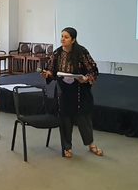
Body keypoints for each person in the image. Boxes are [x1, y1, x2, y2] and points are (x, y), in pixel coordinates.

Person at [40, 27, 102, 158]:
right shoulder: (57, 53)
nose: (63, 39)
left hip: (80, 91)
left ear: (73, 39)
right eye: (62, 36)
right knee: (65, 119)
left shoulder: (81, 52)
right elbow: (51, 70)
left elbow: (93, 70)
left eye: (66, 37)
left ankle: (90, 144)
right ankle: (67, 147)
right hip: (63, 91)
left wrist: (86, 78)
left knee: (83, 118)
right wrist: (47, 74)